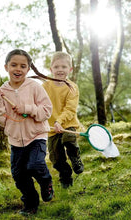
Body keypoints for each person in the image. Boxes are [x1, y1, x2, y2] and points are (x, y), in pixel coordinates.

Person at [0, 49, 54, 215]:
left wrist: (27, 108)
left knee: (35, 165)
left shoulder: (35, 87)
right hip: (15, 140)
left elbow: (47, 111)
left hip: (36, 136)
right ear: (6, 67)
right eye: (14, 65)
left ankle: (46, 182)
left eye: (22, 66)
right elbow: (1, 120)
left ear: (28, 69)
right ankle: (30, 205)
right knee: (19, 176)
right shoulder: (2, 91)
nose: (18, 69)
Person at [43, 51, 84, 189]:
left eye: (64, 67)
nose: (60, 70)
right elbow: (37, 102)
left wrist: (59, 121)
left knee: (68, 140)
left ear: (70, 69)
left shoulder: (72, 87)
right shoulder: (45, 87)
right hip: (52, 128)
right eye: (56, 67)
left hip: (67, 124)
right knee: (55, 158)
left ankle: (75, 158)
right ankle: (65, 177)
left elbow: (70, 109)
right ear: (51, 69)